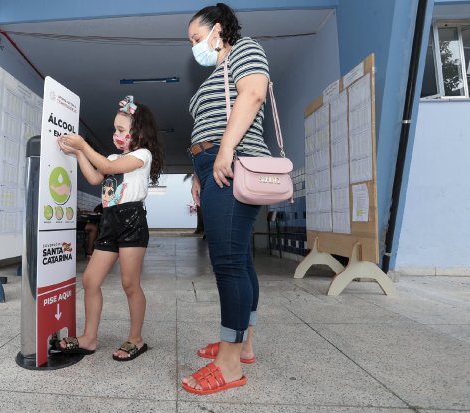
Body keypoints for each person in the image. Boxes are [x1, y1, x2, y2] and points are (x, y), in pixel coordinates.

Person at [182, 3, 271, 394]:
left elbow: (252, 94)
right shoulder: (217, 69)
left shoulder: (245, 48)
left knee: (229, 263)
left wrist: (222, 152)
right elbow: (211, 119)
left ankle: (230, 365)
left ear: (218, 30)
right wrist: (199, 173)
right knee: (241, 259)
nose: (194, 47)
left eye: (197, 38)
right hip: (214, 166)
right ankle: (243, 344)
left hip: (230, 161)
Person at [52, 95, 164, 361]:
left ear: (138, 132)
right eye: (115, 129)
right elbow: (94, 176)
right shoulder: (113, 156)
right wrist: (79, 152)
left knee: (129, 283)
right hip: (110, 220)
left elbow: (108, 167)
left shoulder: (142, 155)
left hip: (132, 220)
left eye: (122, 130)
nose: (116, 134)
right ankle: (89, 338)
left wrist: (83, 145)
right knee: (90, 280)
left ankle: (136, 338)